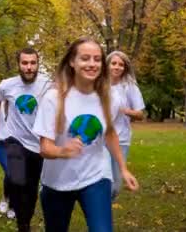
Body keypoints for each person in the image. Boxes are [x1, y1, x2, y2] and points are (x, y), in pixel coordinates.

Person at [33, 37, 139, 232]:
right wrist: (63, 150)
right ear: (72, 62)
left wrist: (123, 169)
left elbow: (110, 134)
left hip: (96, 175)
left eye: (97, 59)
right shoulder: (53, 99)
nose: (92, 64)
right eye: (85, 58)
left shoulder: (109, 97)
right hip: (57, 182)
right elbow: (45, 148)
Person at [0, 47, 53, 232]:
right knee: (17, 181)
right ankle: (22, 224)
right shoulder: (6, 85)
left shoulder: (47, 84)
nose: (29, 67)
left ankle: (25, 221)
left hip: (38, 144)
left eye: (33, 63)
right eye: (25, 63)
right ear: (18, 64)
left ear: (38, 64)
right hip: (15, 141)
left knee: (32, 188)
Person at [107, 50, 145, 200]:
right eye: (114, 63)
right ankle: (100, 210)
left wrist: (124, 110)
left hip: (121, 139)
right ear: (107, 64)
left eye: (121, 65)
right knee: (101, 181)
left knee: (115, 185)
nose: (117, 67)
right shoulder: (99, 84)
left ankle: (105, 203)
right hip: (100, 139)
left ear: (125, 68)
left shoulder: (129, 87)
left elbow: (141, 114)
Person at [0, 100, 16, 219]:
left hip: (16, 145)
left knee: (14, 174)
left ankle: (12, 205)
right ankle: (5, 198)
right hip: (2, 145)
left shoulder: (17, 105)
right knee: (10, 172)